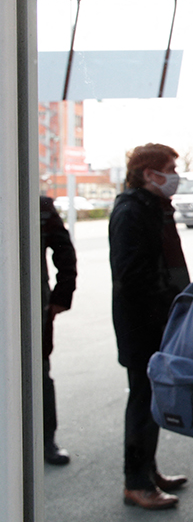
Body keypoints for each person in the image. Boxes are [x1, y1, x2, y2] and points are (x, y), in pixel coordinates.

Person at [109, 143, 190, 510]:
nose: (175, 175)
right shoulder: (131, 211)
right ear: (148, 174)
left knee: (150, 399)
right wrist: (166, 303)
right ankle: (136, 482)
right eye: (169, 168)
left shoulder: (154, 207)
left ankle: (148, 470)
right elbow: (131, 276)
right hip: (142, 324)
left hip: (157, 320)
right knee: (142, 401)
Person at [39, 195, 77, 465]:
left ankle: (44, 440)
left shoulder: (38, 205)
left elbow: (64, 252)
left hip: (31, 305)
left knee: (39, 371)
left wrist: (61, 295)